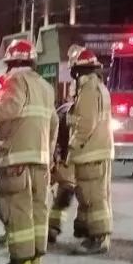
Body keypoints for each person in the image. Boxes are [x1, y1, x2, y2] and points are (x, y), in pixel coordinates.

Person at [0, 38, 58, 264]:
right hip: (40, 159)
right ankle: (35, 259)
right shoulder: (46, 88)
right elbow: (54, 124)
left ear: (12, 62)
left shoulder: (15, 81)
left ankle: (20, 260)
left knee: (17, 209)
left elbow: (10, 109)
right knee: (38, 209)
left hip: (16, 158)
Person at [64, 44, 114, 254]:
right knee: (92, 194)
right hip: (99, 150)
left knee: (94, 196)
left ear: (78, 70)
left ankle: (99, 238)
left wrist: (71, 147)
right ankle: (87, 229)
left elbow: (85, 124)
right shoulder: (98, 87)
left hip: (90, 152)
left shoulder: (88, 90)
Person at [48, 100, 84, 244]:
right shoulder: (62, 117)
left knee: (66, 192)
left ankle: (53, 227)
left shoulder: (77, 116)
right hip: (56, 157)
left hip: (68, 158)